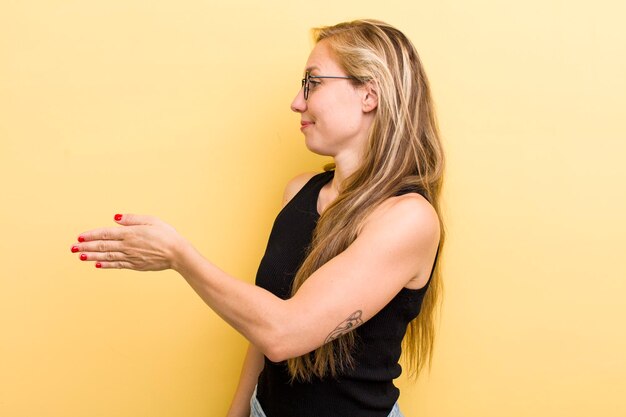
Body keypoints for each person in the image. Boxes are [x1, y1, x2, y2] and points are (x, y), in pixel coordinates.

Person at [70, 19, 445, 417]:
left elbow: (283, 332)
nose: (296, 103)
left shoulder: (408, 219)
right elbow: (262, 323)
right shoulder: (299, 192)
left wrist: (180, 256)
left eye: (312, 83)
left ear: (369, 94)